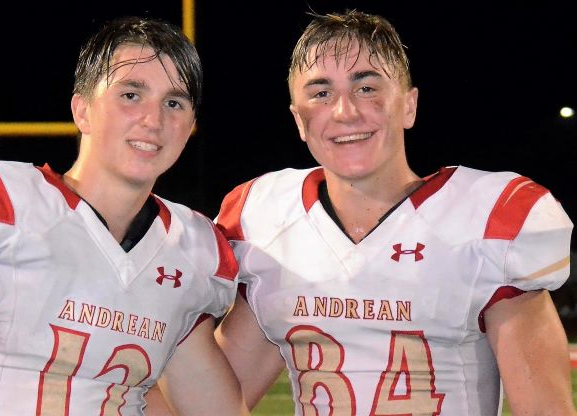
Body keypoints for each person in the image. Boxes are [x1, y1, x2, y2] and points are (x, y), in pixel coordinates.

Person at [214, 10, 575, 415]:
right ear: (299, 119)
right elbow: (206, 406)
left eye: (366, 87)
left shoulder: (485, 223)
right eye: (320, 93)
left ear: (408, 105)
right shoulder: (270, 228)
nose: (345, 112)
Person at [0, 16, 248, 415]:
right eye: (130, 95)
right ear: (82, 110)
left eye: (173, 102)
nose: (153, 120)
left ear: (189, 125)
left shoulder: (189, 251)